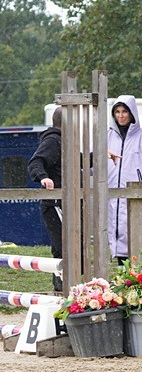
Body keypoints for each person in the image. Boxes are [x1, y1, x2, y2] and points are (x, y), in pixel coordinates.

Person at [107, 96, 142, 263]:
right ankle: (122, 269)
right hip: (113, 193)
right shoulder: (107, 136)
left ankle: (141, 270)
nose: (121, 115)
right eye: (117, 112)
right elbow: (96, 161)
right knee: (116, 230)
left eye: (124, 111)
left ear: (132, 114)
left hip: (136, 192)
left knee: (138, 231)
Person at [27, 106, 64, 292]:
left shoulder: (64, 141)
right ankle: (60, 285)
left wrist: (98, 156)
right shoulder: (52, 141)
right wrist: (43, 177)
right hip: (55, 202)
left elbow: (79, 160)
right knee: (63, 246)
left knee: (67, 246)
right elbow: (35, 162)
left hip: (64, 202)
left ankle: (64, 284)